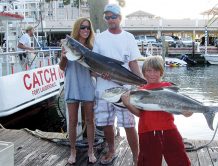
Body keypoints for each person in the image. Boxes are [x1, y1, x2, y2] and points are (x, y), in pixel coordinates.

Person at [93, 3, 142, 165]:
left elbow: (133, 63)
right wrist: (101, 73)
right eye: (107, 17)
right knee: (106, 123)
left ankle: (136, 155)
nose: (110, 20)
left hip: (124, 90)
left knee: (129, 124)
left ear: (120, 18)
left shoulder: (129, 37)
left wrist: (143, 83)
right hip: (103, 89)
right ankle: (112, 150)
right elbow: (94, 65)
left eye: (113, 16)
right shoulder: (99, 38)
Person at [121, 56, 193, 166]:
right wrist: (127, 104)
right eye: (148, 71)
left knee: (179, 159)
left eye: (155, 71)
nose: (152, 74)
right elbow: (140, 113)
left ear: (161, 72)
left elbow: (181, 107)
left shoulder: (169, 87)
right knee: (149, 162)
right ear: (144, 72)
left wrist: (187, 112)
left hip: (169, 129)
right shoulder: (140, 91)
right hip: (146, 131)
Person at [59, 17, 96, 164]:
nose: (86, 30)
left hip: (87, 85)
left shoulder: (92, 47)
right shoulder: (68, 44)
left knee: (90, 121)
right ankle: (73, 150)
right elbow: (62, 67)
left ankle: (91, 150)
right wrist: (63, 57)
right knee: (72, 121)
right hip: (72, 86)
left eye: (88, 27)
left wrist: (101, 73)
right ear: (77, 29)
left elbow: (93, 72)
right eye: (82, 27)